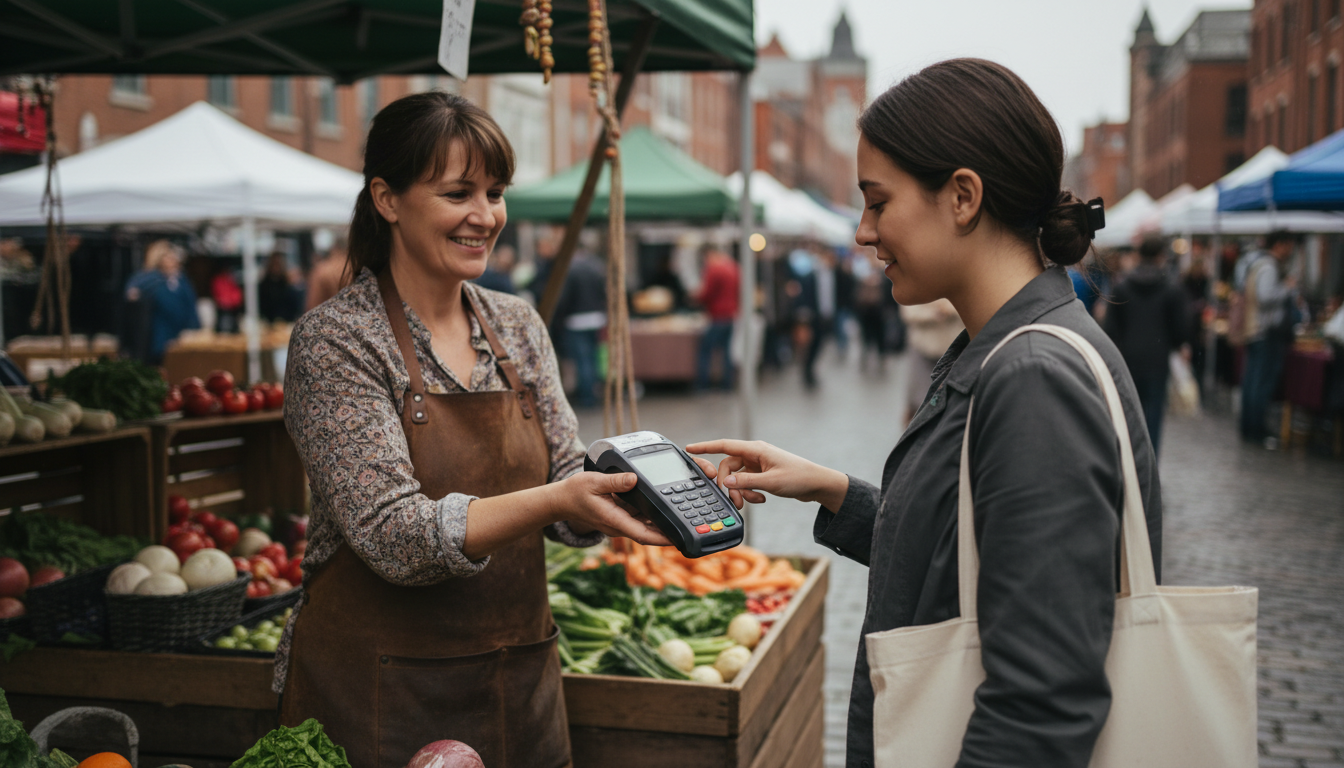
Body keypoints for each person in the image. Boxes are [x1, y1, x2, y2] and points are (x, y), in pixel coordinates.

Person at [687, 59, 1161, 768]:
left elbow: (1040, 703)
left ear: (962, 196)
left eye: (879, 202)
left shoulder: (1032, 377)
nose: (863, 232)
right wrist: (833, 490)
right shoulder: (1008, 348)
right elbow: (968, 555)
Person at [278, 92, 668, 767]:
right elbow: (394, 536)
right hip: (375, 701)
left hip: (517, 690)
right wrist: (557, 500)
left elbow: (569, 488)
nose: (486, 216)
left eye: (495, 191)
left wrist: (652, 489)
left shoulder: (516, 325)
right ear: (388, 198)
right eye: (459, 192)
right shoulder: (337, 342)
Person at [1102, 237, 1189, 454]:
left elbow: (1110, 328)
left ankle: (1129, 464)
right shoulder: (1170, 289)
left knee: (1128, 415)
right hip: (1157, 359)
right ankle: (1150, 466)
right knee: (1154, 416)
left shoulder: (1122, 286)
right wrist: (1177, 344)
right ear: (1160, 256)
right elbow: (1180, 328)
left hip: (1127, 358)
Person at [1238, 230, 1299, 445]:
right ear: (1280, 245)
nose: (1290, 250)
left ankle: (1250, 427)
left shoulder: (1258, 263)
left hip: (1256, 330)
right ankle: (1255, 429)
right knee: (1259, 383)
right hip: (1264, 331)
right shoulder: (1269, 266)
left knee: (1253, 381)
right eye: (1289, 245)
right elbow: (1266, 296)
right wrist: (1287, 288)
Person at [552, 250, 607, 408]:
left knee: (583, 359)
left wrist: (561, 317)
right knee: (593, 357)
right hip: (595, 317)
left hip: (576, 319)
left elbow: (565, 298)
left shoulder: (571, 270)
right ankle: (593, 390)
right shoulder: (596, 268)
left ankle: (587, 396)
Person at [899, 298, 964, 426]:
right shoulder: (918, 286)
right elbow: (909, 312)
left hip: (953, 348)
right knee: (921, 393)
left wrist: (949, 310)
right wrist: (934, 314)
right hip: (923, 347)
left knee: (951, 396)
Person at [145, 242, 201, 365]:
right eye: (168, 258)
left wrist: (193, 328)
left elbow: (191, 306)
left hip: (181, 336)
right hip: (161, 336)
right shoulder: (153, 281)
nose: (172, 261)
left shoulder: (182, 281)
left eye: (173, 258)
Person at [695, 247, 740, 390]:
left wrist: (695, 297)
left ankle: (703, 383)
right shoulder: (734, 267)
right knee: (726, 351)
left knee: (705, 350)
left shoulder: (714, 269)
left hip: (717, 315)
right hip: (731, 314)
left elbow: (706, 293)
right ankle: (727, 382)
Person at [304, 238, 351, 311]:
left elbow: (312, 306)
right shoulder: (358, 269)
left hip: (328, 319)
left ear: (334, 248)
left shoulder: (322, 270)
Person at [259, 251, 299, 322]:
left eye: (278, 264)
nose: (276, 267)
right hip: (269, 322)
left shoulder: (287, 284)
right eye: (274, 264)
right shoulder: (264, 285)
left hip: (286, 321)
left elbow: (292, 305)